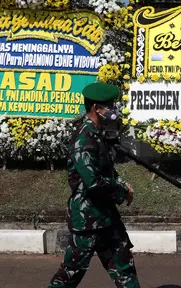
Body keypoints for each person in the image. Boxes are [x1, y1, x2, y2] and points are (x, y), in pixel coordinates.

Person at [48, 82, 140, 288]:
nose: (114, 110)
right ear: (97, 108)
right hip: (87, 218)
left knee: (124, 266)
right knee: (70, 273)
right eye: (110, 105)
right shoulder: (84, 137)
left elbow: (104, 170)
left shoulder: (98, 133)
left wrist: (119, 182)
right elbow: (93, 182)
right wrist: (122, 190)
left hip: (106, 216)